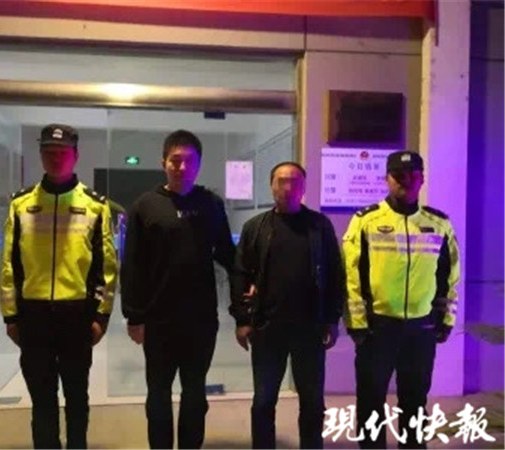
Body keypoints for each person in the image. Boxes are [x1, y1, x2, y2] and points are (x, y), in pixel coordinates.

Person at [0, 124, 118, 449]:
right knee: (42, 399)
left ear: (75, 155)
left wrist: (101, 316)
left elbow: (106, 268)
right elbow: (10, 264)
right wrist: (11, 316)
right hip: (33, 315)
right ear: (40, 155)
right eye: (49, 152)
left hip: (76, 316)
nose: (55, 158)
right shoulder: (21, 204)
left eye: (62, 152)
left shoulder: (95, 205)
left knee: (77, 397)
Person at [121, 129, 235, 449]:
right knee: (158, 394)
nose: (182, 167)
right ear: (163, 163)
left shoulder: (210, 203)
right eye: (175, 160)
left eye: (189, 161)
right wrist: (134, 316)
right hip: (158, 320)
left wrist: (253, 282)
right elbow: (133, 265)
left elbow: (227, 253)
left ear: (199, 164)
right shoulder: (145, 206)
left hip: (201, 320)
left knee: (195, 393)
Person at [342, 150, 460, 449]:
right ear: (386, 179)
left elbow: (449, 276)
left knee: (415, 401)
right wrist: (357, 323)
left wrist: (446, 319)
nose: (406, 181)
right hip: (377, 327)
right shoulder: (366, 221)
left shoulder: (439, 224)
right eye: (398, 176)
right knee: (371, 401)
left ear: (422, 179)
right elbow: (351, 275)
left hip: (420, 329)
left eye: (413, 176)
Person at [230, 161, 346, 449]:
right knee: (263, 401)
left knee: (312, 401)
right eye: (281, 181)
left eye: (294, 181)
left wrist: (332, 319)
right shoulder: (256, 227)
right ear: (271, 186)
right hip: (267, 328)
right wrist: (242, 320)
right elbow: (240, 274)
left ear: (303, 187)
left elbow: (335, 274)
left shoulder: (319, 226)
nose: (287, 187)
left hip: (310, 328)